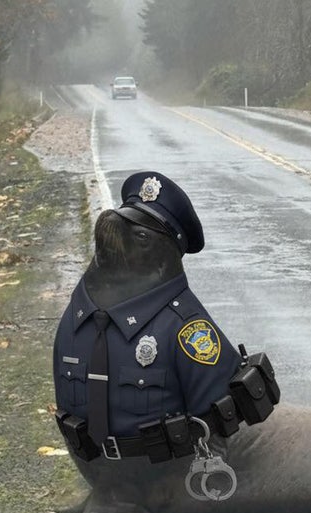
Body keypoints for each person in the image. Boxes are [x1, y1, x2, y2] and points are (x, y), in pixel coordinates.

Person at [52, 171, 244, 464]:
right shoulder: (80, 317)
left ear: (162, 257)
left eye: (139, 236)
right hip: (99, 467)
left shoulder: (186, 326)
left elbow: (216, 423)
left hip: (167, 471)